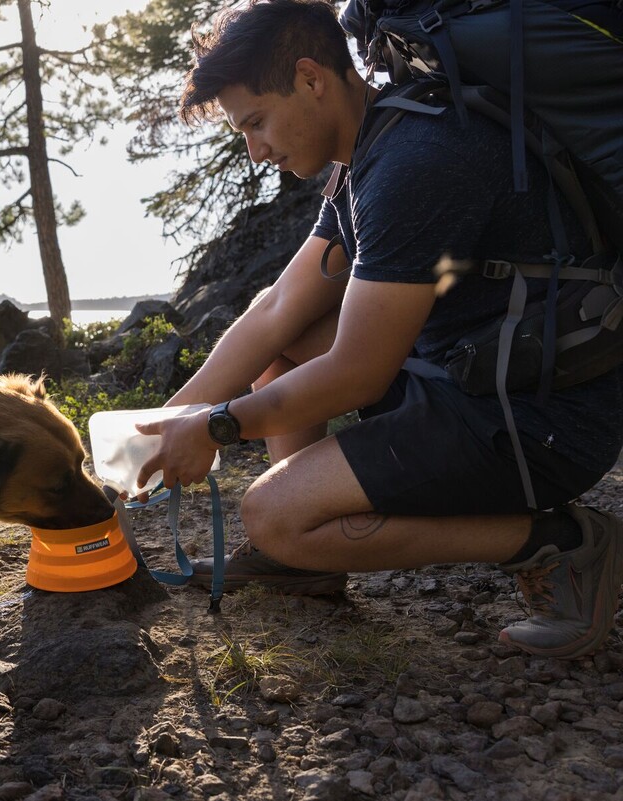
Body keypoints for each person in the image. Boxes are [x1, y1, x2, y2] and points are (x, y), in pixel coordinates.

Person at [134, 0, 623, 659]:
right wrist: (159, 429)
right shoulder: (376, 147)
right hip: (476, 375)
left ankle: (561, 541)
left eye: (256, 123)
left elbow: (357, 372)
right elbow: (277, 308)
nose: (254, 151)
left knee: (270, 514)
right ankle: (302, 559)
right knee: (289, 335)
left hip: (540, 422)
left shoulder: (414, 160)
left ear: (311, 79)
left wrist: (219, 425)